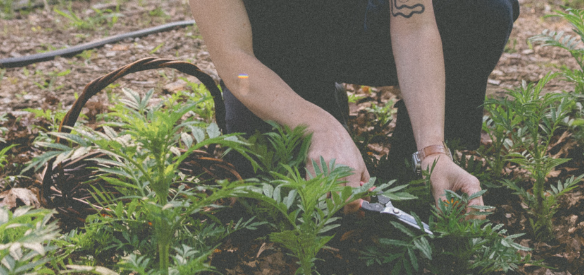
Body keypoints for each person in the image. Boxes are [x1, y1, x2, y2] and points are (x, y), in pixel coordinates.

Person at [189, 0, 520, 206]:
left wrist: (432, 149)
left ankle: (413, 167)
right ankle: (314, 97)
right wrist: (317, 126)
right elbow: (235, 58)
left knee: (484, 8)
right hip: (272, 48)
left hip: (359, 24)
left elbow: (414, 25)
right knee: (279, 195)